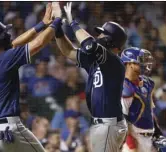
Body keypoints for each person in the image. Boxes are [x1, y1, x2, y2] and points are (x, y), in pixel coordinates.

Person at [0, 3, 62, 152]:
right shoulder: (6, 59)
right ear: (0, 40)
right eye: (5, 33)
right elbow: (39, 43)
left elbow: (15, 44)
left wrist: (41, 24)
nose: (8, 35)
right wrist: (57, 21)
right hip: (7, 129)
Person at [51, 2, 128, 152]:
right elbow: (68, 51)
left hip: (109, 124)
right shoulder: (95, 61)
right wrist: (58, 29)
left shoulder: (114, 61)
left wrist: (73, 23)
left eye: (102, 33)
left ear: (109, 40)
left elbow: (90, 45)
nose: (99, 36)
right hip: (104, 124)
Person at [120, 47, 166, 152]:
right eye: (140, 61)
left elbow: (149, 113)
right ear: (129, 64)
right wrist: (130, 143)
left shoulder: (147, 83)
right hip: (134, 138)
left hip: (149, 136)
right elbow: (121, 120)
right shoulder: (124, 86)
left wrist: (158, 136)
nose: (145, 64)